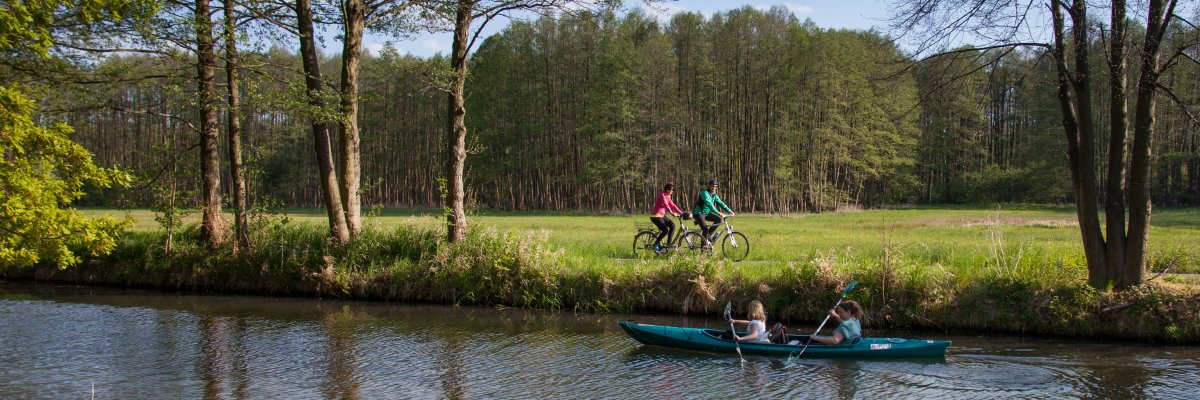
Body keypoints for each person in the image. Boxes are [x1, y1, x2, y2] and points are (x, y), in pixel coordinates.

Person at [692, 178, 734, 243]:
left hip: (706, 213)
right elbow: (709, 204)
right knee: (705, 230)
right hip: (698, 213)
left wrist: (729, 211)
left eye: (715, 186)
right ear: (708, 186)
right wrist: (718, 213)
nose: (713, 188)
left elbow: (720, 203)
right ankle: (703, 250)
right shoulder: (705, 193)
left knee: (718, 220)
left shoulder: (714, 194)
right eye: (712, 186)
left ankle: (708, 236)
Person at [649, 182, 685, 254]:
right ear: (666, 189)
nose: (672, 191)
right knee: (665, 230)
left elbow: (673, 205)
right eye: (670, 189)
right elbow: (666, 205)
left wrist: (682, 213)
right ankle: (655, 245)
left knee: (672, 225)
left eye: (672, 189)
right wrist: (672, 213)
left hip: (662, 215)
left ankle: (669, 243)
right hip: (655, 216)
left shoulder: (668, 196)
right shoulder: (662, 195)